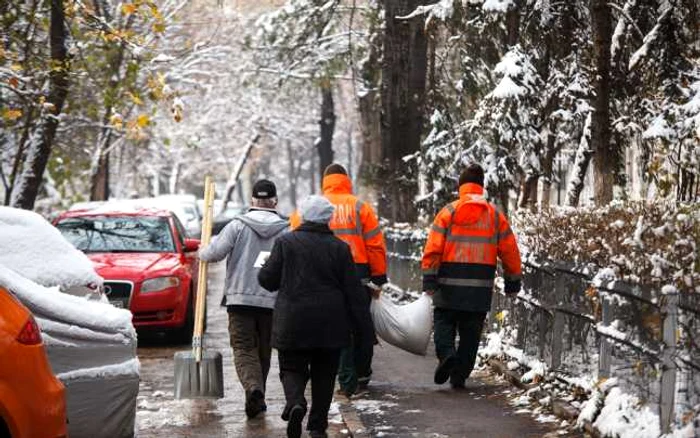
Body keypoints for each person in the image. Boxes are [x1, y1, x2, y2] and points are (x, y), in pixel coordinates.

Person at [258, 195, 372, 438]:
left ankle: (296, 402)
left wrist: (268, 267)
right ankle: (318, 427)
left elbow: (267, 281)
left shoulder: (285, 243)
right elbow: (353, 292)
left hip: (293, 320)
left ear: (304, 215)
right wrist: (364, 329)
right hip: (330, 323)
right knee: (325, 374)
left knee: (291, 367)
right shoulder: (340, 248)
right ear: (327, 219)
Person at [421, 164, 522, 389]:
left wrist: (429, 277)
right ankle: (460, 375)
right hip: (479, 286)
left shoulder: (448, 212)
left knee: (444, 322)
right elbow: (510, 251)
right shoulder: (495, 216)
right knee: (471, 333)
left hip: (448, 283)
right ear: (481, 187)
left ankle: (446, 354)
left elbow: (433, 248)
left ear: (461, 187)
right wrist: (513, 280)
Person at [291, 163, 387, 396]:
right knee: (361, 325)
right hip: (358, 274)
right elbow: (374, 244)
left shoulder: (309, 209)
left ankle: (343, 377)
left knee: (334, 328)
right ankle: (361, 374)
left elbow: (295, 239)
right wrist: (379, 276)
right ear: (347, 180)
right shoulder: (359, 207)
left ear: (325, 182)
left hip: (322, 275)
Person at [198, 179, 288, 418]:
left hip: (240, 300)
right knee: (264, 351)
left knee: (243, 348)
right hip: (273, 301)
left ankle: (253, 389)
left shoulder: (237, 226)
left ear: (252, 201)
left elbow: (213, 254)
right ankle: (258, 395)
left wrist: (201, 250)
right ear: (274, 201)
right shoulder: (286, 229)